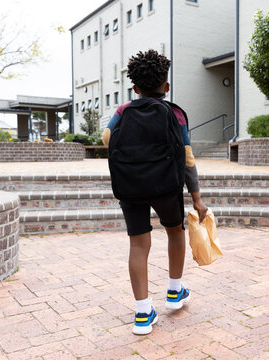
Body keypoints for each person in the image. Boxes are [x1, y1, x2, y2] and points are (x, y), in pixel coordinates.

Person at [102, 49, 207, 335]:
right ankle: (174, 291)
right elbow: (187, 157)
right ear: (166, 86)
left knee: (137, 245)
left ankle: (142, 312)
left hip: (131, 186)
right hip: (165, 186)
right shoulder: (174, 112)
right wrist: (196, 197)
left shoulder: (123, 111)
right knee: (175, 231)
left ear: (134, 88)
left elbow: (107, 138)